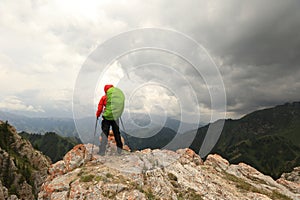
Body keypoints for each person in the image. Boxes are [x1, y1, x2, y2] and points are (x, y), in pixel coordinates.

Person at [96, 84, 124, 155]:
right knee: (117, 133)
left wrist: (98, 115)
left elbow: (100, 108)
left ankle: (102, 151)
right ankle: (119, 150)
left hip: (107, 118)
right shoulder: (115, 99)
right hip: (115, 117)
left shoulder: (104, 98)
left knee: (105, 134)